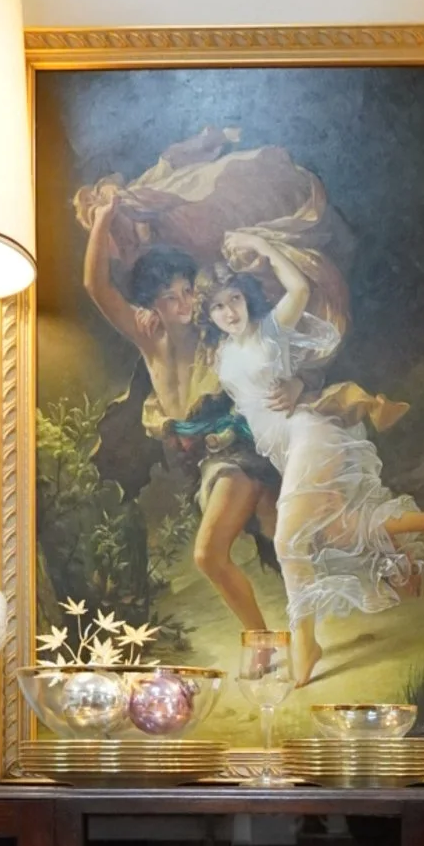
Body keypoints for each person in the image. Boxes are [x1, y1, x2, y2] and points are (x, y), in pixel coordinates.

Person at [202, 228, 424, 688]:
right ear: (209, 315)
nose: (230, 312)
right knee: (330, 531)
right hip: (284, 447)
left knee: (288, 541)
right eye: (218, 307)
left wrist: (263, 248)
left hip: (310, 430)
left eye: (234, 300)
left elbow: (299, 289)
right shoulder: (221, 354)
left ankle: (305, 643)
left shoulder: (270, 330)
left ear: (246, 298)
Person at [82, 189, 281, 636]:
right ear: (150, 305)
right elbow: (96, 286)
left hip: (237, 453)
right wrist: (103, 218)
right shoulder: (148, 337)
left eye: (188, 292)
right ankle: (395, 546)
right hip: (198, 464)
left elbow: (265, 346)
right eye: (170, 297)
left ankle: (262, 641)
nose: (185, 303)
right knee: (284, 536)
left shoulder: (216, 333)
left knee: (210, 555)